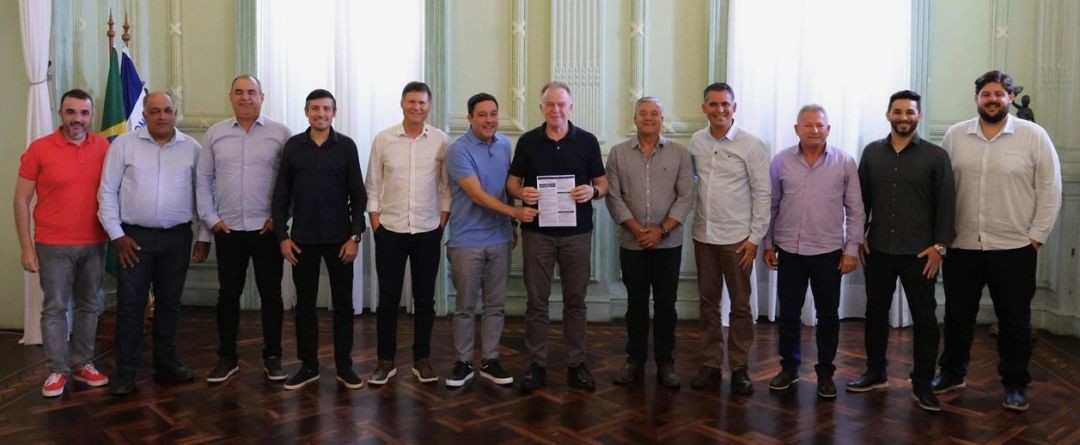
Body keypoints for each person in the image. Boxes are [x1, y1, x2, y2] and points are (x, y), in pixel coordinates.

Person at [934, 70, 1061, 412]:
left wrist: (1036, 238)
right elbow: (944, 191)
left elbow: (1051, 190)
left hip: (1015, 248)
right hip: (963, 246)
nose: (993, 99)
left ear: (1009, 98)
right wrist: (942, 239)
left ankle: (1015, 383)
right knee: (958, 317)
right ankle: (952, 373)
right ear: (976, 98)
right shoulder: (955, 136)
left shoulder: (1033, 136)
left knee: (1015, 322)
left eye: (999, 94)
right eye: (986, 94)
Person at [98, 91, 212, 396]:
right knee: (131, 306)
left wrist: (203, 236)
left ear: (176, 113)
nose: (161, 116)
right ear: (145, 115)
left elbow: (203, 196)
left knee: (170, 305)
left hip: (177, 238)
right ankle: (126, 371)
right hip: (132, 239)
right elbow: (107, 192)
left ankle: (165, 363)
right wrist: (117, 236)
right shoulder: (123, 145)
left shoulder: (193, 149)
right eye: (155, 111)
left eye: (167, 110)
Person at [849, 90, 956, 412]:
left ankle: (922, 383)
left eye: (910, 112)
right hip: (878, 249)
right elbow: (860, 202)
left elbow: (947, 206)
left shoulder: (936, 157)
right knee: (875, 315)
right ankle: (875, 372)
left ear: (919, 116)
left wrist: (940, 247)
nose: (904, 117)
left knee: (924, 320)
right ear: (888, 115)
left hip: (920, 253)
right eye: (898, 112)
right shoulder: (871, 153)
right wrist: (859, 235)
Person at [507, 81, 609, 391]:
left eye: (561, 104)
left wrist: (592, 190)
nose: (556, 110)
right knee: (537, 302)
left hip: (577, 234)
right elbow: (512, 183)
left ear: (571, 106)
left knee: (575, 301)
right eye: (550, 104)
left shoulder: (587, 141)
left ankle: (576, 362)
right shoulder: (527, 141)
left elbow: (603, 184)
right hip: (538, 232)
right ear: (541, 108)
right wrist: (520, 191)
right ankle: (537, 364)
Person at [763, 104, 864, 399]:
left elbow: (855, 210)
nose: (814, 130)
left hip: (829, 252)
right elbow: (771, 206)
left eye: (820, 125)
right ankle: (789, 368)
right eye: (807, 125)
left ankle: (825, 373)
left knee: (828, 316)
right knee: (790, 314)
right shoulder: (780, 162)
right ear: (797, 129)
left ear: (828, 129)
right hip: (789, 251)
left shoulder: (845, 162)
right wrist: (768, 244)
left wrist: (852, 249)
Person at [15, 89, 111, 397]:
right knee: (55, 308)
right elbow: (20, 200)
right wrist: (26, 247)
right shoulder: (40, 149)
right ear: (61, 114)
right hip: (52, 245)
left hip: (95, 243)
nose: (77, 119)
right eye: (71, 112)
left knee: (89, 305)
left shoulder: (104, 148)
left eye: (84, 113)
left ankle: (83, 363)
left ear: (91, 115)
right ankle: (57, 371)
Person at [197, 75, 292, 383]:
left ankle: (273, 357)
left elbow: (291, 183)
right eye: (239, 92)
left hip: (267, 228)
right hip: (228, 230)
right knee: (227, 295)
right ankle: (227, 358)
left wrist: (281, 218)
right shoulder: (215, 134)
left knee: (271, 296)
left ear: (262, 97)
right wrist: (211, 219)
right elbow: (202, 180)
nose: (245, 97)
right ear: (230, 97)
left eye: (251, 92)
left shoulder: (280, 133)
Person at [272, 89, 367, 391]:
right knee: (305, 307)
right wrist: (282, 238)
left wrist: (355, 237)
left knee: (343, 306)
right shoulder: (293, 147)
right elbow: (281, 195)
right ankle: (308, 365)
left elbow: (359, 196)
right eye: (315, 109)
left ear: (334, 113)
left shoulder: (347, 147)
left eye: (326, 109)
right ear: (306, 112)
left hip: (341, 240)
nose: (321, 114)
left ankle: (344, 366)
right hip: (302, 240)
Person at [443, 93, 537, 387]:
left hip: (499, 238)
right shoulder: (458, 150)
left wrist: (511, 225)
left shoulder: (505, 145)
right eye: (482, 114)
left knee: (496, 305)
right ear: (470, 118)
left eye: (493, 114)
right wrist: (516, 213)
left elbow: (507, 187)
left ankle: (490, 360)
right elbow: (477, 194)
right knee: (466, 306)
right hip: (466, 240)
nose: (489, 120)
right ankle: (462, 362)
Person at [687, 83, 771, 395]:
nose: (719, 110)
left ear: (734, 108)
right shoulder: (696, 141)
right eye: (713, 104)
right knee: (708, 303)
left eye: (725, 104)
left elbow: (763, 193)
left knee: (739, 304)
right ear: (704, 108)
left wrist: (755, 238)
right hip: (703, 235)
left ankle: (739, 367)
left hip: (739, 239)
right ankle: (710, 364)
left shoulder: (751, 145)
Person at [605, 96, 694, 388]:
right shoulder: (618, 154)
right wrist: (637, 229)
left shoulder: (680, 153)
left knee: (667, 304)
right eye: (643, 113)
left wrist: (661, 230)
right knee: (636, 305)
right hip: (632, 244)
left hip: (668, 243)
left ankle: (666, 363)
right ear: (634, 119)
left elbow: (685, 197)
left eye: (654, 113)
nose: (648, 118)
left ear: (662, 118)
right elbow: (613, 197)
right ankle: (635, 360)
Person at [366, 81, 450, 385]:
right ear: (402, 103)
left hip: (428, 229)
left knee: (425, 299)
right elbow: (372, 184)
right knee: (388, 300)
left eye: (422, 103)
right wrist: (375, 222)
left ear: (429, 106)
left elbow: (446, 186)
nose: (417, 107)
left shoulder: (441, 140)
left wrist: (441, 222)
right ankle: (385, 361)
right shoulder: (384, 139)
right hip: (390, 229)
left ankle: (422, 359)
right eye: (411, 102)